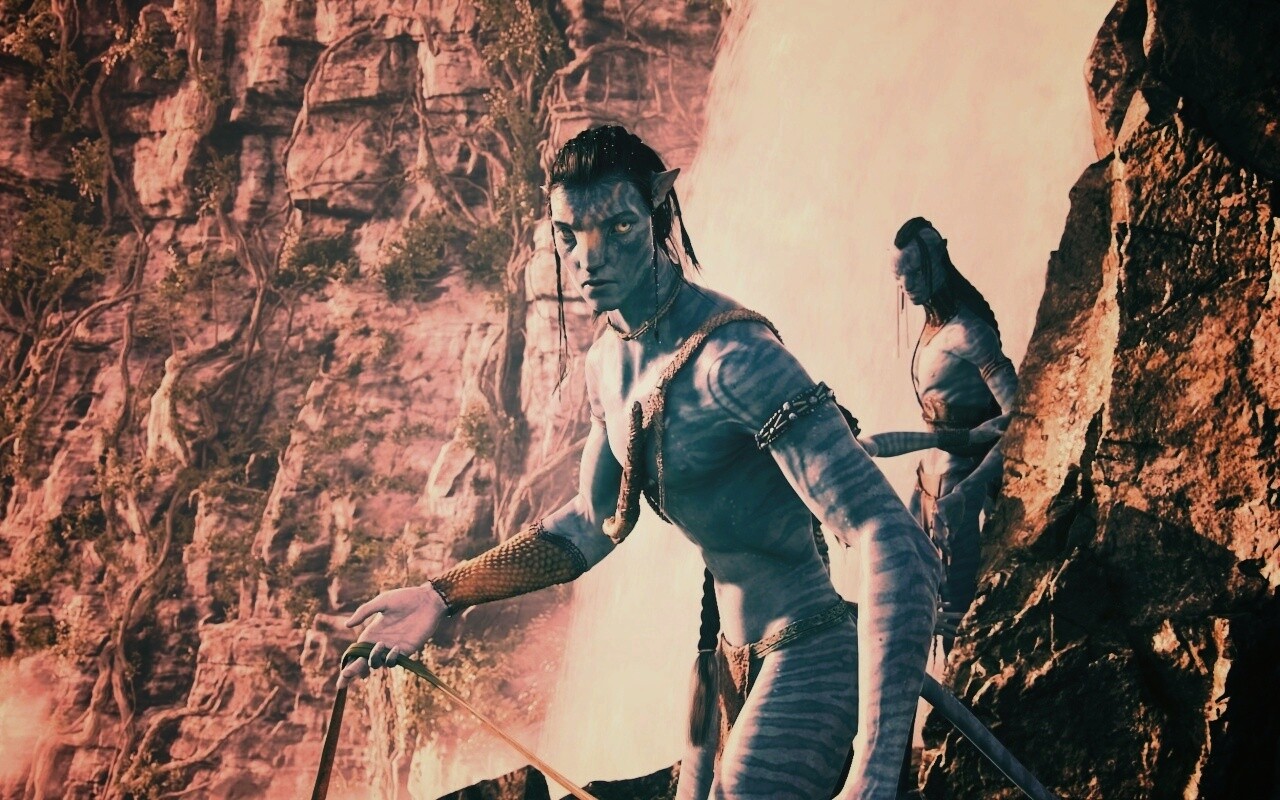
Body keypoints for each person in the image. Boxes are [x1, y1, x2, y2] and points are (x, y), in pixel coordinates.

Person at [337, 126, 942, 800]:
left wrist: (874, 772)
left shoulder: (736, 360)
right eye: (569, 235)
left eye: (618, 227)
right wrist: (443, 594)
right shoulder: (607, 364)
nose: (588, 258)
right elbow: (592, 524)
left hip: (811, 646)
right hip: (719, 664)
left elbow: (891, 536)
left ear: (657, 212)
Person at [857, 217, 1017, 650]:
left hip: (957, 491)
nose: (906, 285)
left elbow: (1020, 417)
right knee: (918, 599)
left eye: (914, 272)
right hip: (927, 483)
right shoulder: (933, 330)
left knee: (955, 616)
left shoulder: (969, 333)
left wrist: (972, 488)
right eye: (899, 277)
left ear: (938, 259)